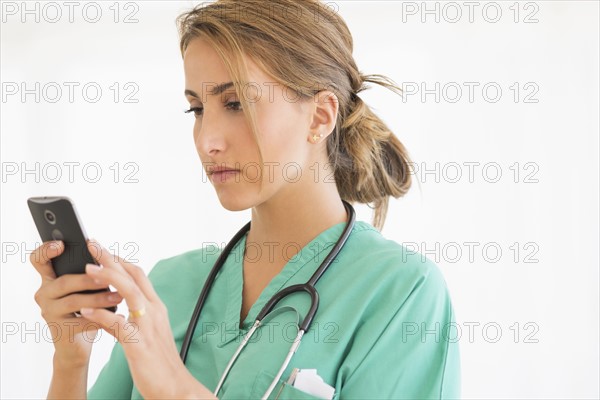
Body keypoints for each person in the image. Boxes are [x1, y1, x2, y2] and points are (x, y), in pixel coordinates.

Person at [29, 0, 460, 398]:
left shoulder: (402, 292)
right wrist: (71, 359)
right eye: (197, 109)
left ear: (321, 115)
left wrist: (177, 389)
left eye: (235, 103)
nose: (207, 140)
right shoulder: (170, 287)